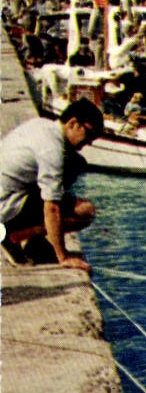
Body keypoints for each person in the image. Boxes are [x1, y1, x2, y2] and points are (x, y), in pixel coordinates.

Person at [0, 99, 103, 272]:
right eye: (89, 135)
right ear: (73, 123)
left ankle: (31, 238)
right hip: (5, 207)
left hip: (8, 193)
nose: (89, 142)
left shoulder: (41, 125)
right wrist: (63, 258)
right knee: (85, 211)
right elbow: (52, 208)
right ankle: (14, 238)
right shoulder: (52, 150)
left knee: (76, 163)